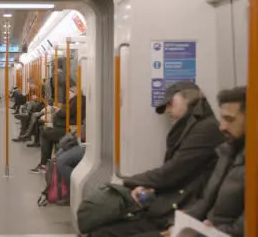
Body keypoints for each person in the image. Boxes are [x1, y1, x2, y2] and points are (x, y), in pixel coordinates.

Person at [89, 82, 225, 237]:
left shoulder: (206, 129)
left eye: (171, 103)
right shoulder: (190, 128)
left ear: (189, 98)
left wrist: (127, 182)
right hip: (176, 203)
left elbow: (172, 172)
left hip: (185, 209)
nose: (168, 110)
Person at [156, 86, 246, 237]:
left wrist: (200, 233)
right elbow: (205, 202)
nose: (222, 127)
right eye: (222, 118)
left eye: (230, 120)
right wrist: (176, 224)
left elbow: (245, 228)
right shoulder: (227, 152)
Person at [31, 87, 86, 173]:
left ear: (74, 93)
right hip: (69, 127)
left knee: (44, 133)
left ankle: (44, 164)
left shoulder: (76, 100)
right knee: (46, 130)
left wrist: (57, 111)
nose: (68, 95)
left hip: (68, 129)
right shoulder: (80, 100)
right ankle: (46, 162)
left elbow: (63, 113)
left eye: (69, 93)